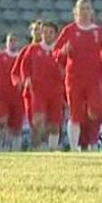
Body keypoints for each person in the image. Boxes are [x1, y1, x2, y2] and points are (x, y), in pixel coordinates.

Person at [53, 0, 102, 151]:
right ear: (76, 12)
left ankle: (91, 140)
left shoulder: (99, 31)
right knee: (75, 113)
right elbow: (56, 53)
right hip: (74, 78)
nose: (85, 12)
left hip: (94, 78)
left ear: (91, 11)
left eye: (87, 8)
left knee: (95, 111)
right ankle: (74, 148)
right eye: (82, 9)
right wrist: (63, 52)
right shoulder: (69, 30)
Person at [20, 22, 64, 151]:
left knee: (55, 124)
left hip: (56, 91)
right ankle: (38, 146)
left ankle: (52, 148)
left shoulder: (59, 50)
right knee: (38, 121)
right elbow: (24, 65)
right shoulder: (33, 49)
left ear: (55, 34)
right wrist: (26, 78)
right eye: (45, 32)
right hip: (38, 90)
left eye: (51, 32)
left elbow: (68, 65)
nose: (47, 35)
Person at [11, 20, 42, 147]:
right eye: (35, 30)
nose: (38, 33)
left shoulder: (53, 49)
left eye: (40, 29)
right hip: (31, 93)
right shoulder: (26, 51)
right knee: (35, 124)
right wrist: (20, 82)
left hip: (50, 93)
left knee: (50, 125)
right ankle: (37, 150)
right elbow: (15, 72)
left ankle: (50, 149)